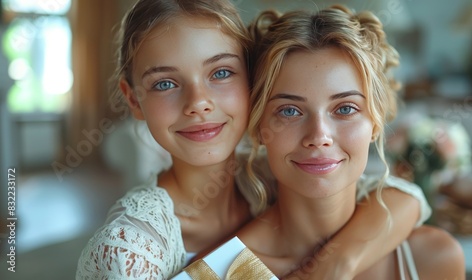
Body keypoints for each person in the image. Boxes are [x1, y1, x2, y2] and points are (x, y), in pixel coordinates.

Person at [76, 0, 432, 279]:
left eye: (221, 72)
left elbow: (402, 197)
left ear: (251, 85)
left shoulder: (269, 176)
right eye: (165, 83)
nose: (199, 103)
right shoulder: (128, 252)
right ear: (134, 98)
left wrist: (335, 264)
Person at [236, 5, 465, 279]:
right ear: (259, 127)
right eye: (289, 111)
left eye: (345, 109)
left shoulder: (434, 257)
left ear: (376, 123)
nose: (319, 136)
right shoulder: (223, 272)